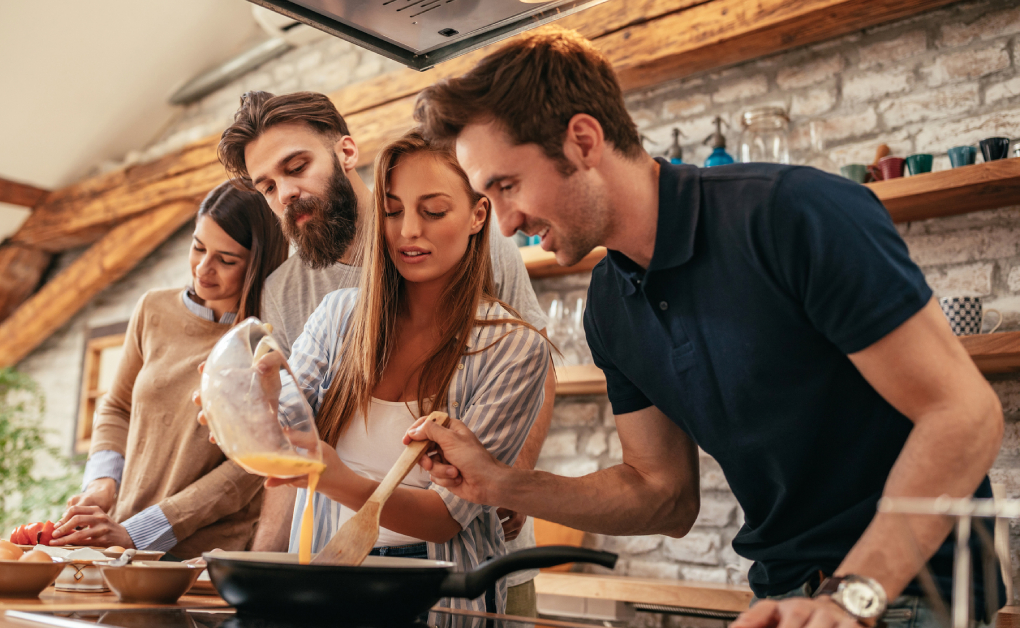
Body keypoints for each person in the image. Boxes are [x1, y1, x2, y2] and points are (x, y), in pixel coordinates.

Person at [404, 26, 1005, 628]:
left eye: (507, 186)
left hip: (914, 588)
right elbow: (663, 494)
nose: (505, 225)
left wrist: (852, 598)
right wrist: (501, 484)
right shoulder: (609, 305)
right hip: (780, 595)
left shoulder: (792, 215)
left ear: (583, 140)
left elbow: (963, 414)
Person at [214, 91, 554, 614]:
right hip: (339, 562)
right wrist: (265, 570)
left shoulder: (478, 245)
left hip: (474, 561)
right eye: (267, 186)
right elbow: (293, 431)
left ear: (346, 152)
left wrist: (507, 480)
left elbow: (531, 369)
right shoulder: (292, 291)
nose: (285, 192)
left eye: (296, 166)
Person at [51, 182, 289, 559]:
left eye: (226, 260)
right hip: (119, 539)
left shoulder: (267, 340)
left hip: (205, 557)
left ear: (258, 263)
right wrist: (102, 483)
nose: (204, 269)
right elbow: (117, 408)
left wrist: (141, 532)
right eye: (198, 247)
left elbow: (249, 469)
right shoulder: (152, 310)